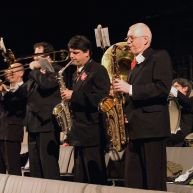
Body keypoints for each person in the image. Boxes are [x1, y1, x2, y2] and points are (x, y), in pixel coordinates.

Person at [113, 23, 173, 190]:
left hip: (152, 129)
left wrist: (129, 88)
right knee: (133, 180)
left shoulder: (159, 56)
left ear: (145, 40)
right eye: (127, 38)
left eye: (131, 38)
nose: (128, 42)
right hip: (135, 129)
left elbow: (162, 88)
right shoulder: (135, 66)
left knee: (154, 181)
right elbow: (135, 94)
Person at [60, 35, 110, 184]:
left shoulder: (98, 70)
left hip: (92, 132)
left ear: (87, 52)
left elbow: (102, 99)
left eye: (75, 53)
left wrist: (73, 95)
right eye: (70, 52)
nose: (71, 56)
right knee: (80, 177)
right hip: (79, 132)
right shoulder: (76, 73)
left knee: (95, 177)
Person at [24, 42, 61, 179]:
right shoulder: (37, 73)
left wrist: (34, 71)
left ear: (48, 56)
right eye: (35, 55)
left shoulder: (56, 69)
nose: (35, 58)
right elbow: (27, 94)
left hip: (47, 124)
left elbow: (47, 85)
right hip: (33, 123)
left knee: (48, 165)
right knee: (35, 167)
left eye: (39, 55)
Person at [0, 63, 26, 175]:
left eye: (13, 70)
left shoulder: (25, 88)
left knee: (13, 167)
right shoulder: (7, 90)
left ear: (21, 73)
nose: (9, 73)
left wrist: (5, 93)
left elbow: (17, 105)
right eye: (8, 70)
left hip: (12, 132)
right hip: (1, 131)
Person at [167, 78, 193, 146]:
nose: (173, 88)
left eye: (176, 86)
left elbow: (188, 104)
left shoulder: (191, 99)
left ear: (185, 88)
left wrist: (173, 90)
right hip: (167, 131)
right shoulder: (170, 100)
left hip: (181, 133)